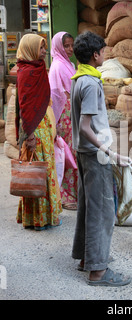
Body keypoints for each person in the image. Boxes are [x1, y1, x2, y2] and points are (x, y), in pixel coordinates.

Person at [70, 32, 132, 286]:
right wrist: (111, 153)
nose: (105, 55)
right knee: (103, 211)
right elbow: (86, 126)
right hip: (96, 154)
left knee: (88, 207)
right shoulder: (92, 84)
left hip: (84, 152)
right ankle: (98, 271)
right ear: (96, 55)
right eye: (104, 52)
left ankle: (87, 258)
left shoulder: (79, 78)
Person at [15, 33, 62, 230]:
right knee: (36, 172)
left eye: (44, 48)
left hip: (44, 126)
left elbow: (45, 102)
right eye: (41, 48)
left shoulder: (39, 68)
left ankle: (46, 215)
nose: (44, 52)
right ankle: (37, 218)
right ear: (31, 49)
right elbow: (25, 107)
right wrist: (30, 136)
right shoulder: (26, 72)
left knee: (44, 171)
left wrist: (54, 123)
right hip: (34, 129)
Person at [49, 31, 77, 211]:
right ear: (59, 47)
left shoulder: (70, 64)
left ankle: (73, 192)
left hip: (72, 112)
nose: (70, 49)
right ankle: (65, 195)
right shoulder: (57, 67)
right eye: (66, 46)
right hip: (64, 115)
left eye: (71, 45)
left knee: (73, 152)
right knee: (66, 155)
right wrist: (56, 121)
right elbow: (55, 94)